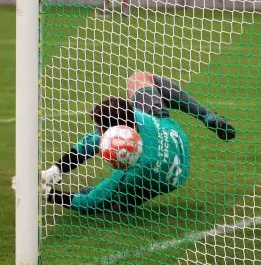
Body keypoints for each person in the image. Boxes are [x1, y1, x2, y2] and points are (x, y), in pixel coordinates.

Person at [35, 72, 236, 215]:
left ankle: (123, 202)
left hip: (168, 177)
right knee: (140, 77)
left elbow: (88, 202)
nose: (97, 131)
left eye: (100, 128)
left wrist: (47, 193)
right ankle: (206, 115)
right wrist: (58, 168)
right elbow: (95, 139)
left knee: (106, 202)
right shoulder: (136, 116)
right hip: (171, 134)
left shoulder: (128, 173)